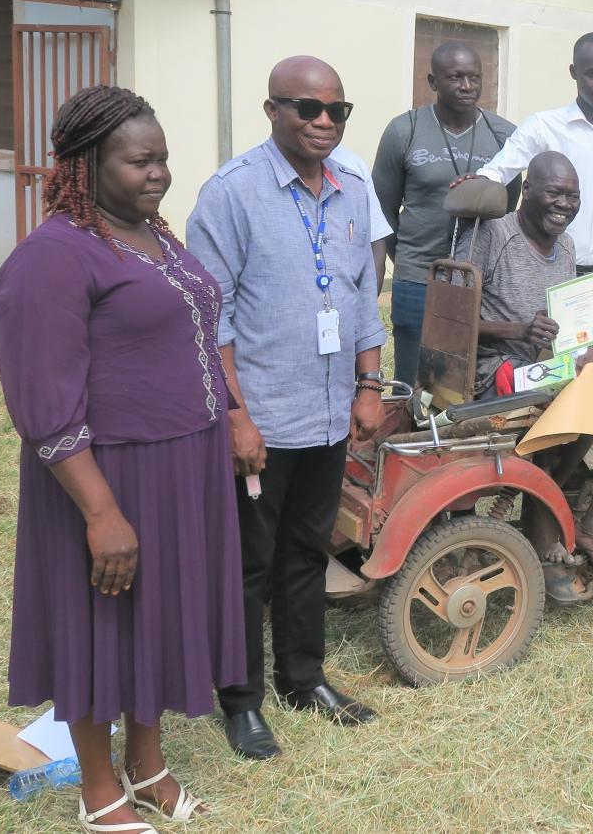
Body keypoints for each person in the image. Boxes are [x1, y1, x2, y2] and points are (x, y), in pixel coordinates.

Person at [0, 86, 244, 832]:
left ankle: (149, 762)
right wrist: (101, 511)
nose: (158, 173)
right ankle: (99, 788)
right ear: (86, 164)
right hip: (105, 475)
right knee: (98, 622)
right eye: (140, 161)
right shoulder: (51, 257)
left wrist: (231, 418)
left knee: (156, 617)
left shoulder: (153, 235)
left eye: (163, 157)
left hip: (181, 466)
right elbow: (42, 397)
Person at [187, 56, 386, 760]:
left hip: (329, 412)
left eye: (337, 110)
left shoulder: (352, 189)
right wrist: (236, 416)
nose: (324, 121)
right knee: (248, 564)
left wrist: (369, 385)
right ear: (272, 110)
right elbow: (210, 318)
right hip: (261, 420)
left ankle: (304, 680)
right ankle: (241, 703)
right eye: (308, 108)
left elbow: (361, 295)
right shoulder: (232, 193)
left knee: (308, 551)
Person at [459, 151, 593, 586]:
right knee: (584, 398)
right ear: (527, 191)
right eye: (555, 193)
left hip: (542, 366)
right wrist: (518, 329)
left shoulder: (567, 245)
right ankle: (544, 511)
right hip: (494, 369)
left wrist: (583, 349)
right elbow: (453, 319)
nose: (565, 204)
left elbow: (567, 322)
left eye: (573, 196)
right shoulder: (494, 234)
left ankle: (587, 521)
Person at [470, 32, 593, 366]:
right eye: (592, 73)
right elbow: (500, 169)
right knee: (549, 377)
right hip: (553, 279)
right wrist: (476, 184)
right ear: (573, 72)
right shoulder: (544, 125)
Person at [372, 42, 517, 383]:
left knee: (464, 379)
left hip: (479, 281)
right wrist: (407, 260)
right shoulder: (404, 130)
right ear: (433, 82)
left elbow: (508, 210)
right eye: (455, 77)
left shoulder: (504, 135)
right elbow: (382, 211)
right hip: (417, 277)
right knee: (412, 379)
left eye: (474, 77)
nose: (467, 86)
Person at [328, 143, 395, 294]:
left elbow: (376, 243)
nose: (325, 129)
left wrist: (368, 303)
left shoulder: (353, 165)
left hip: (349, 303)